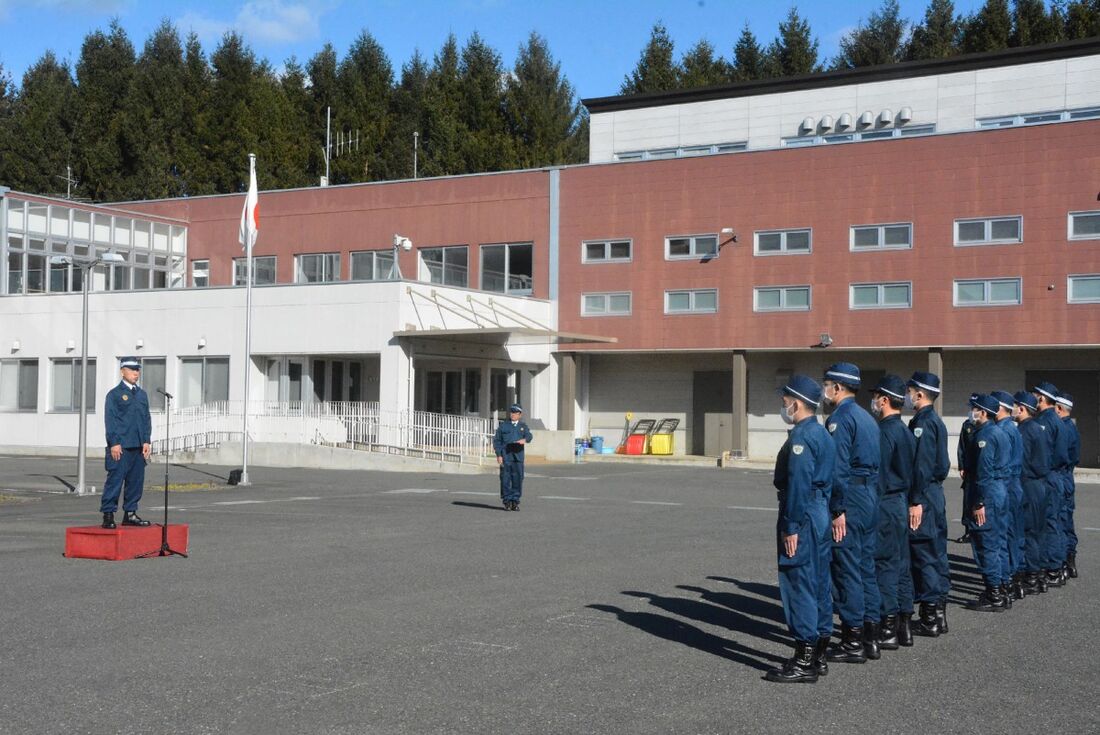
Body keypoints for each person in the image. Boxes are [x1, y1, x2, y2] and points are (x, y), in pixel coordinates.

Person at [766, 375, 835, 684]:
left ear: (796, 402)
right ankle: (819, 653)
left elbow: (798, 484)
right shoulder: (821, 433)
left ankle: (804, 659)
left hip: (803, 514)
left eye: (785, 400)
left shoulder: (801, 438)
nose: (783, 405)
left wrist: (791, 525)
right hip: (819, 512)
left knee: (799, 583)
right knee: (819, 580)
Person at [821, 363, 881, 664]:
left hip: (852, 497)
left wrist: (837, 509)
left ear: (838, 388)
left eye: (827, 384)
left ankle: (852, 639)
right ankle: (871, 635)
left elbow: (838, 467)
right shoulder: (867, 417)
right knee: (866, 566)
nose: (825, 390)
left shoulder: (840, 418)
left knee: (846, 568)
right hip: (869, 494)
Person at [869, 375, 916, 651]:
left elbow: (881, 474)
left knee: (884, 564)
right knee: (901, 563)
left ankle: (886, 625)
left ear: (885, 400)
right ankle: (903, 624)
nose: (873, 401)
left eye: (876, 396)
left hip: (886, 502)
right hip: (900, 501)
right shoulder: (906, 430)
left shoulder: (885, 431)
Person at [905, 372, 952, 636]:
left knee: (924, 554)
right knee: (936, 552)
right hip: (934, 494)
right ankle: (938, 613)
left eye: (910, 391)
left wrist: (916, 500)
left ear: (919, 394)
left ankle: (930, 616)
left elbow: (922, 466)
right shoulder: (935, 420)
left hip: (925, 495)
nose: (908, 396)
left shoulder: (923, 422)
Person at [964, 394, 1010, 612]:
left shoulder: (986, 436)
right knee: (997, 540)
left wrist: (979, 501)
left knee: (986, 543)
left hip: (987, 492)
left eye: (974, 409)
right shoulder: (997, 431)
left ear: (982, 412)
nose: (971, 412)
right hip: (998, 490)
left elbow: (984, 470)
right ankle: (1000, 588)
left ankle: (994, 594)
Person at [100, 357, 152, 529]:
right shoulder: (114, 394)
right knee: (115, 480)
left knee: (135, 481)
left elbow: (146, 419)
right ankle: (108, 514)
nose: (135, 373)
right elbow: (111, 419)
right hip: (121, 446)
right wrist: (114, 442)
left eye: (137, 370)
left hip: (137, 446)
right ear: (122, 371)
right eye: (131, 370)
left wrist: (146, 441)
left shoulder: (141, 394)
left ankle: (130, 513)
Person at [1012, 391, 1052, 595]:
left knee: (1028, 532)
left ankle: (1032, 576)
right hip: (1041, 484)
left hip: (1028, 484)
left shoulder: (1025, 430)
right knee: (1039, 531)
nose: (1012, 409)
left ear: (1022, 408)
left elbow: (1023, 461)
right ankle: (1040, 574)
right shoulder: (1039, 428)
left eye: (1015, 405)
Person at [1032, 382, 1069, 587]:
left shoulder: (1046, 421)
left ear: (1042, 398)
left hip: (1049, 476)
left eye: (1035, 395)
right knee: (1054, 523)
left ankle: (1053, 568)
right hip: (1055, 476)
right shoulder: (1055, 420)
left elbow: (1044, 454)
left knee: (1049, 524)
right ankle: (1057, 565)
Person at [991, 391, 1025, 601]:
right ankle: (1014, 577)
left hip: (1006, 484)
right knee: (1013, 533)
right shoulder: (1012, 428)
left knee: (1003, 535)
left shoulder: (1002, 430)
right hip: (1013, 483)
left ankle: (1007, 580)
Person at [1054, 392, 1079, 579]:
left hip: (1062, 476)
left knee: (1061, 521)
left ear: (1059, 408)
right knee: (1066, 521)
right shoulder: (1070, 426)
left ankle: (1062, 563)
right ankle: (1069, 563)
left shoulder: (1064, 429)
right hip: (1067, 477)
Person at [493, 403, 533, 511]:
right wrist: (499, 455)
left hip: (518, 458)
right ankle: (507, 501)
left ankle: (515, 501)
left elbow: (529, 436)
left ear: (520, 414)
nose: (513, 415)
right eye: (512, 412)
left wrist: (525, 440)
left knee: (518, 479)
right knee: (505, 479)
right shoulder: (504, 426)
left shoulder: (522, 426)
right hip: (506, 456)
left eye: (515, 413)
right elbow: (497, 441)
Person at [954, 395, 981, 545]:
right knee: (967, 502)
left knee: (980, 502)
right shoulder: (967, 425)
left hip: (981, 470)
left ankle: (978, 532)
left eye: (974, 408)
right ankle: (968, 531)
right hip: (969, 471)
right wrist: (961, 466)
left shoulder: (986, 426)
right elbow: (961, 447)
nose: (971, 411)